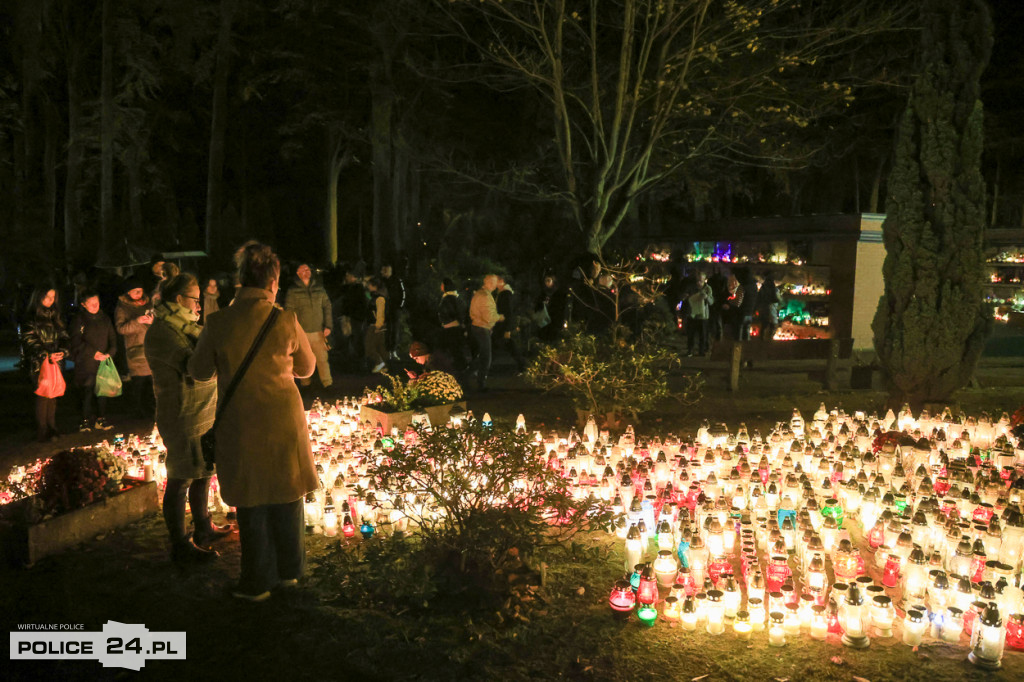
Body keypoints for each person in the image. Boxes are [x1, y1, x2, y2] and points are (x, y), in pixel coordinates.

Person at [189, 241, 318, 601]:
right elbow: (308, 368)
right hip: (283, 417)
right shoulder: (285, 319)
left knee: (250, 497)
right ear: (272, 282)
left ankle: (257, 580)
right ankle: (290, 572)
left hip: (240, 420)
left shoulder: (218, 322)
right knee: (287, 490)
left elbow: (199, 371)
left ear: (240, 281)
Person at [145, 273, 231, 565]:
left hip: (205, 410)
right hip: (181, 414)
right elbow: (194, 365)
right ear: (179, 299)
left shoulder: (188, 326)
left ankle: (204, 526)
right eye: (195, 299)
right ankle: (180, 544)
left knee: (204, 470)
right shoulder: (162, 332)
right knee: (181, 477)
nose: (199, 306)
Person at [22, 286, 69, 442]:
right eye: (47, 296)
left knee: (53, 394)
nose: (50, 300)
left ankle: (52, 427)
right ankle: (43, 429)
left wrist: (62, 351)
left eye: (53, 297)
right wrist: (45, 354)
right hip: (40, 362)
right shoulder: (31, 318)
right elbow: (30, 339)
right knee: (43, 394)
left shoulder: (55, 317)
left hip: (55, 361)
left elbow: (64, 336)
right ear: (39, 296)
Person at [69, 289, 117, 431]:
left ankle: (101, 419)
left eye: (97, 302)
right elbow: (75, 340)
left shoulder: (105, 318)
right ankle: (84, 420)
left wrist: (109, 353)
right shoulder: (79, 319)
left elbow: (113, 339)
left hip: (103, 361)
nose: (95, 306)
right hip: (86, 362)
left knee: (102, 391)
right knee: (87, 391)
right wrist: (92, 353)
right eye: (91, 303)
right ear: (83, 304)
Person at [284, 263, 333, 390]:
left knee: (322, 359)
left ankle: (327, 383)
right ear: (298, 273)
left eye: (308, 269)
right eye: (303, 270)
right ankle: (305, 384)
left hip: (318, 331)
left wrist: (328, 325)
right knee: (303, 360)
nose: (306, 272)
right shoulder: (293, 291)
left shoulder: (319, 288)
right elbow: (289, 311)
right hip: (302, 332)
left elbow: (327, 306)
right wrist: (293, 330)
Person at [115, 277, 155, 419]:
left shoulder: (148, 303)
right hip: (136, 350)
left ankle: (150, 410)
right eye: (136, 291)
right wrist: (137, 321)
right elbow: (121, 328)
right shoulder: (122, 308)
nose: (139, 294)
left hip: (150, 349)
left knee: (151, 382)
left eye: (141, 291)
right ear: (128, 292)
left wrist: (152, 321)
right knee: (138, 383)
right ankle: (135, 412)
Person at [469, 274, 503, 392]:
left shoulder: (480, 294)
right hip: (482, 328)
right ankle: (479, 383)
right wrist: (500, 317)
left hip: (478, 327)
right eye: (493, 282)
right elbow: (488, 316)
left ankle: (468, 375)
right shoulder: (485, 296)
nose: (495, 285)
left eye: (495, 282)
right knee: (485, 357)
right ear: (487, 282)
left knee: (482, 356)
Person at [493, 275, 526, 373]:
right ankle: (522, 366)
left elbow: (508, 312)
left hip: (503, 325)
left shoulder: (505, 294)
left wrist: (507, 329)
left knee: (503, 345)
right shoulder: (505, 293)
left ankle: (522, 366)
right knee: (508, 346)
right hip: (503, 325)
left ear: (501, 281)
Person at [437, 278, 469, 371]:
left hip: (451, 328)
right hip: (454, 327)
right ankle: (461, 367)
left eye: (442, 285)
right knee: (455, 349)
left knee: (454, 349)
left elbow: (451, 312)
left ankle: (461, 367)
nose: (441, 287)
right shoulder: (455, 297)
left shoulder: (449, 298)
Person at [684, 272, 714, 357]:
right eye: (697, 280)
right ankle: (690, 350)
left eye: (701, 280)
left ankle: (702, 350)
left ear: (704, 280)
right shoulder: (691, 288)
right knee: (691, 334)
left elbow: (711, 302)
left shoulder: (708, 288)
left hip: (703, 316)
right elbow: (685, 298)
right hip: (692, 314)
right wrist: (687, 297)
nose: (699, 282)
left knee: (703, 334)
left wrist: (706, 297)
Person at [380, 263, 405, 358]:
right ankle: (387, 350)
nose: (382, 272)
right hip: (386, 309)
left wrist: (400, 306)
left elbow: (403, 293)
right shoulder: (382, 282)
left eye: (384, 270)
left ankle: (393, 349)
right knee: (387, 329)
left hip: (394, 309)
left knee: (394, 329)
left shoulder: (397, 281)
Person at [364, 277, 388, 373]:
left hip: (376, 325)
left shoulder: (379, 298)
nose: (368, 286)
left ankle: (379, 362)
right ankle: (384, 366)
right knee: (379, 346)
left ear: (374, 286)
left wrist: (378, 325)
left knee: (369, 346)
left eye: (369, 285)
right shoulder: (376, 297)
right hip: (377, 324)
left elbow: (380, 313)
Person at [755, 272, 782, 342]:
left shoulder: (762, 289)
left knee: (764, 326)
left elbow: (758, 299)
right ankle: (769, 339)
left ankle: (762, 340)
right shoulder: (775, 290)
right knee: (773, 326)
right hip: (771, 311)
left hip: (764, 311)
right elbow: (779, 300)